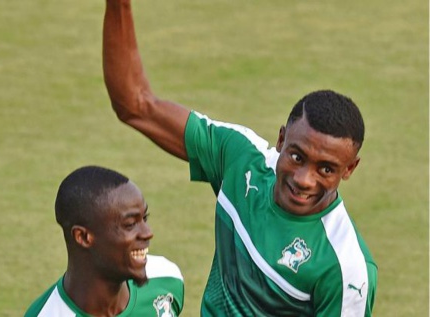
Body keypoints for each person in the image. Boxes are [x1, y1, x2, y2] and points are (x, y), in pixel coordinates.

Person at [101, 1, 377, 316]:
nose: (303, 179)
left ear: (350, 169)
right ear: (282, 139)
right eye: (297, 156)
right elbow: (134, 104)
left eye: (325, 169)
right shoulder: (242, 158)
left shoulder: (346, 268)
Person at [24, 166, 184, 317]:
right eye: (130, 225)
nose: (148, 233)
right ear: (83, 237)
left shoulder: (165, 278)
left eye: (144, 218)